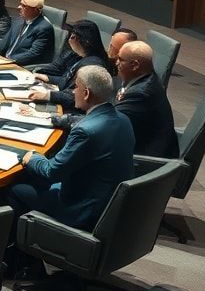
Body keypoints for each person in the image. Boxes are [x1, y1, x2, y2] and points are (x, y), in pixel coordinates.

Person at [9, 65, 134, 231]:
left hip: (81, 209)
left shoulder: (85, 130)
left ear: (86, 93)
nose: (73, 91)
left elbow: (51, 173)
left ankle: (22, 252)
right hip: (109, 202)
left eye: (76, 87)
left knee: (15, 189)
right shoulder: (124, 119)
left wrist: (32, 157)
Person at [114, 40, 179, 158]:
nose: (116, 62)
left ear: (135, 65)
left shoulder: (141, 94)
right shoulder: (147, 78)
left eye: (120, 59)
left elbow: (108, 121)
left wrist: (69, 120)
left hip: (144, 160)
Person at [28, 19, 109, 111]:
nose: (70, 38)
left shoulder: (91, 66)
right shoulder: (79, 55)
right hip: (64, 102)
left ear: (86, 41)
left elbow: (76, 95)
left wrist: (47, 95)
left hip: (72, 111)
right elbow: (68, 81)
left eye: (74, 36)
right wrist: (48, 78)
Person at [3, 0, 55, 65]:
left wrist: (9, 62)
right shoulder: (19, 20)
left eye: (24, 6)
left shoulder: (44, 28)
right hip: (6, 60)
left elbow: (33, 54)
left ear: (36, 10)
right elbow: (4, 42)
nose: (19, 7)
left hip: (23, 66)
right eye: (20, 4)